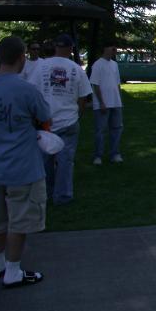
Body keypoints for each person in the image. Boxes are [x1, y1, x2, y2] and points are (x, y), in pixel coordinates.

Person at [0, 36, 51, 288]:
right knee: (20, 220)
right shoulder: (26, 89)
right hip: (23, 166)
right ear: (21, 57)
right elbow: (45, 117)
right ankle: (13, 271)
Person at [32, 34, 92, 205]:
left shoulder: (41, 66)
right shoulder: (76, 69)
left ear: (55, 47)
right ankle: (63, 195)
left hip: (45, 122)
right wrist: (78, 114)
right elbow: (83, 97)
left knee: (45, 161)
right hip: (69, 120)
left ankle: (47, 193)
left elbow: (32, 93)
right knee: (66, 161)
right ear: (71, 49)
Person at [89, 42, 123, 165]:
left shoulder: (115, 64)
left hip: (115, 103)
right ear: (105, 49)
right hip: (102, 104)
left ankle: (115, 154)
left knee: (116, 129)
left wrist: (119, 100)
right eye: (112, 47)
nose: (114, 50)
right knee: (100, 131)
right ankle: (98, 156)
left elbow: (117, 83)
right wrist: (101, 102)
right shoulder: (97, 65)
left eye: (115, 48)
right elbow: (95, 85)